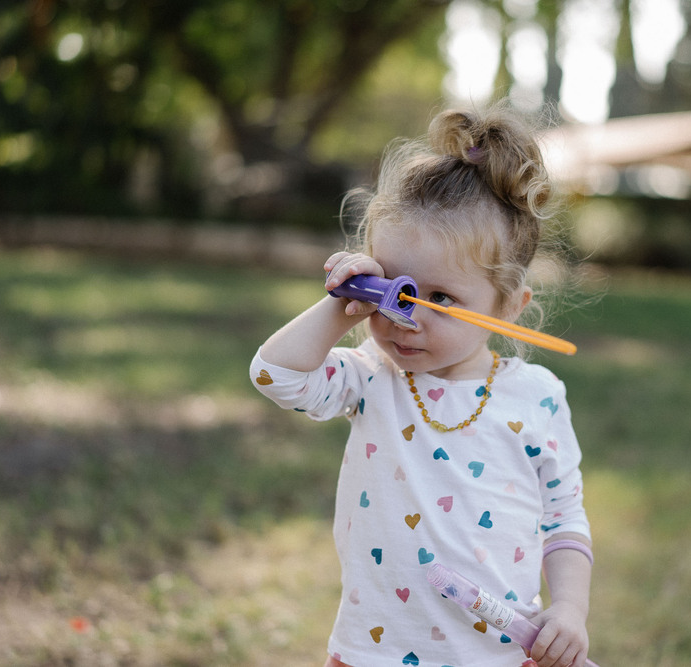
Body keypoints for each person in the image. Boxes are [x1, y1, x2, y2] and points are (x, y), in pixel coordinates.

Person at [250, 104, 593, 667]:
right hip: (375, 653)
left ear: (507, 306)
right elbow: (273, 374)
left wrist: (570, 610)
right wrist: (343, 307)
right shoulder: (370, 377)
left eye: (441, 299)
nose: (407, 317)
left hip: (498, 654)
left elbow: (563, 519)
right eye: (395, 290)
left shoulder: (538, 397)